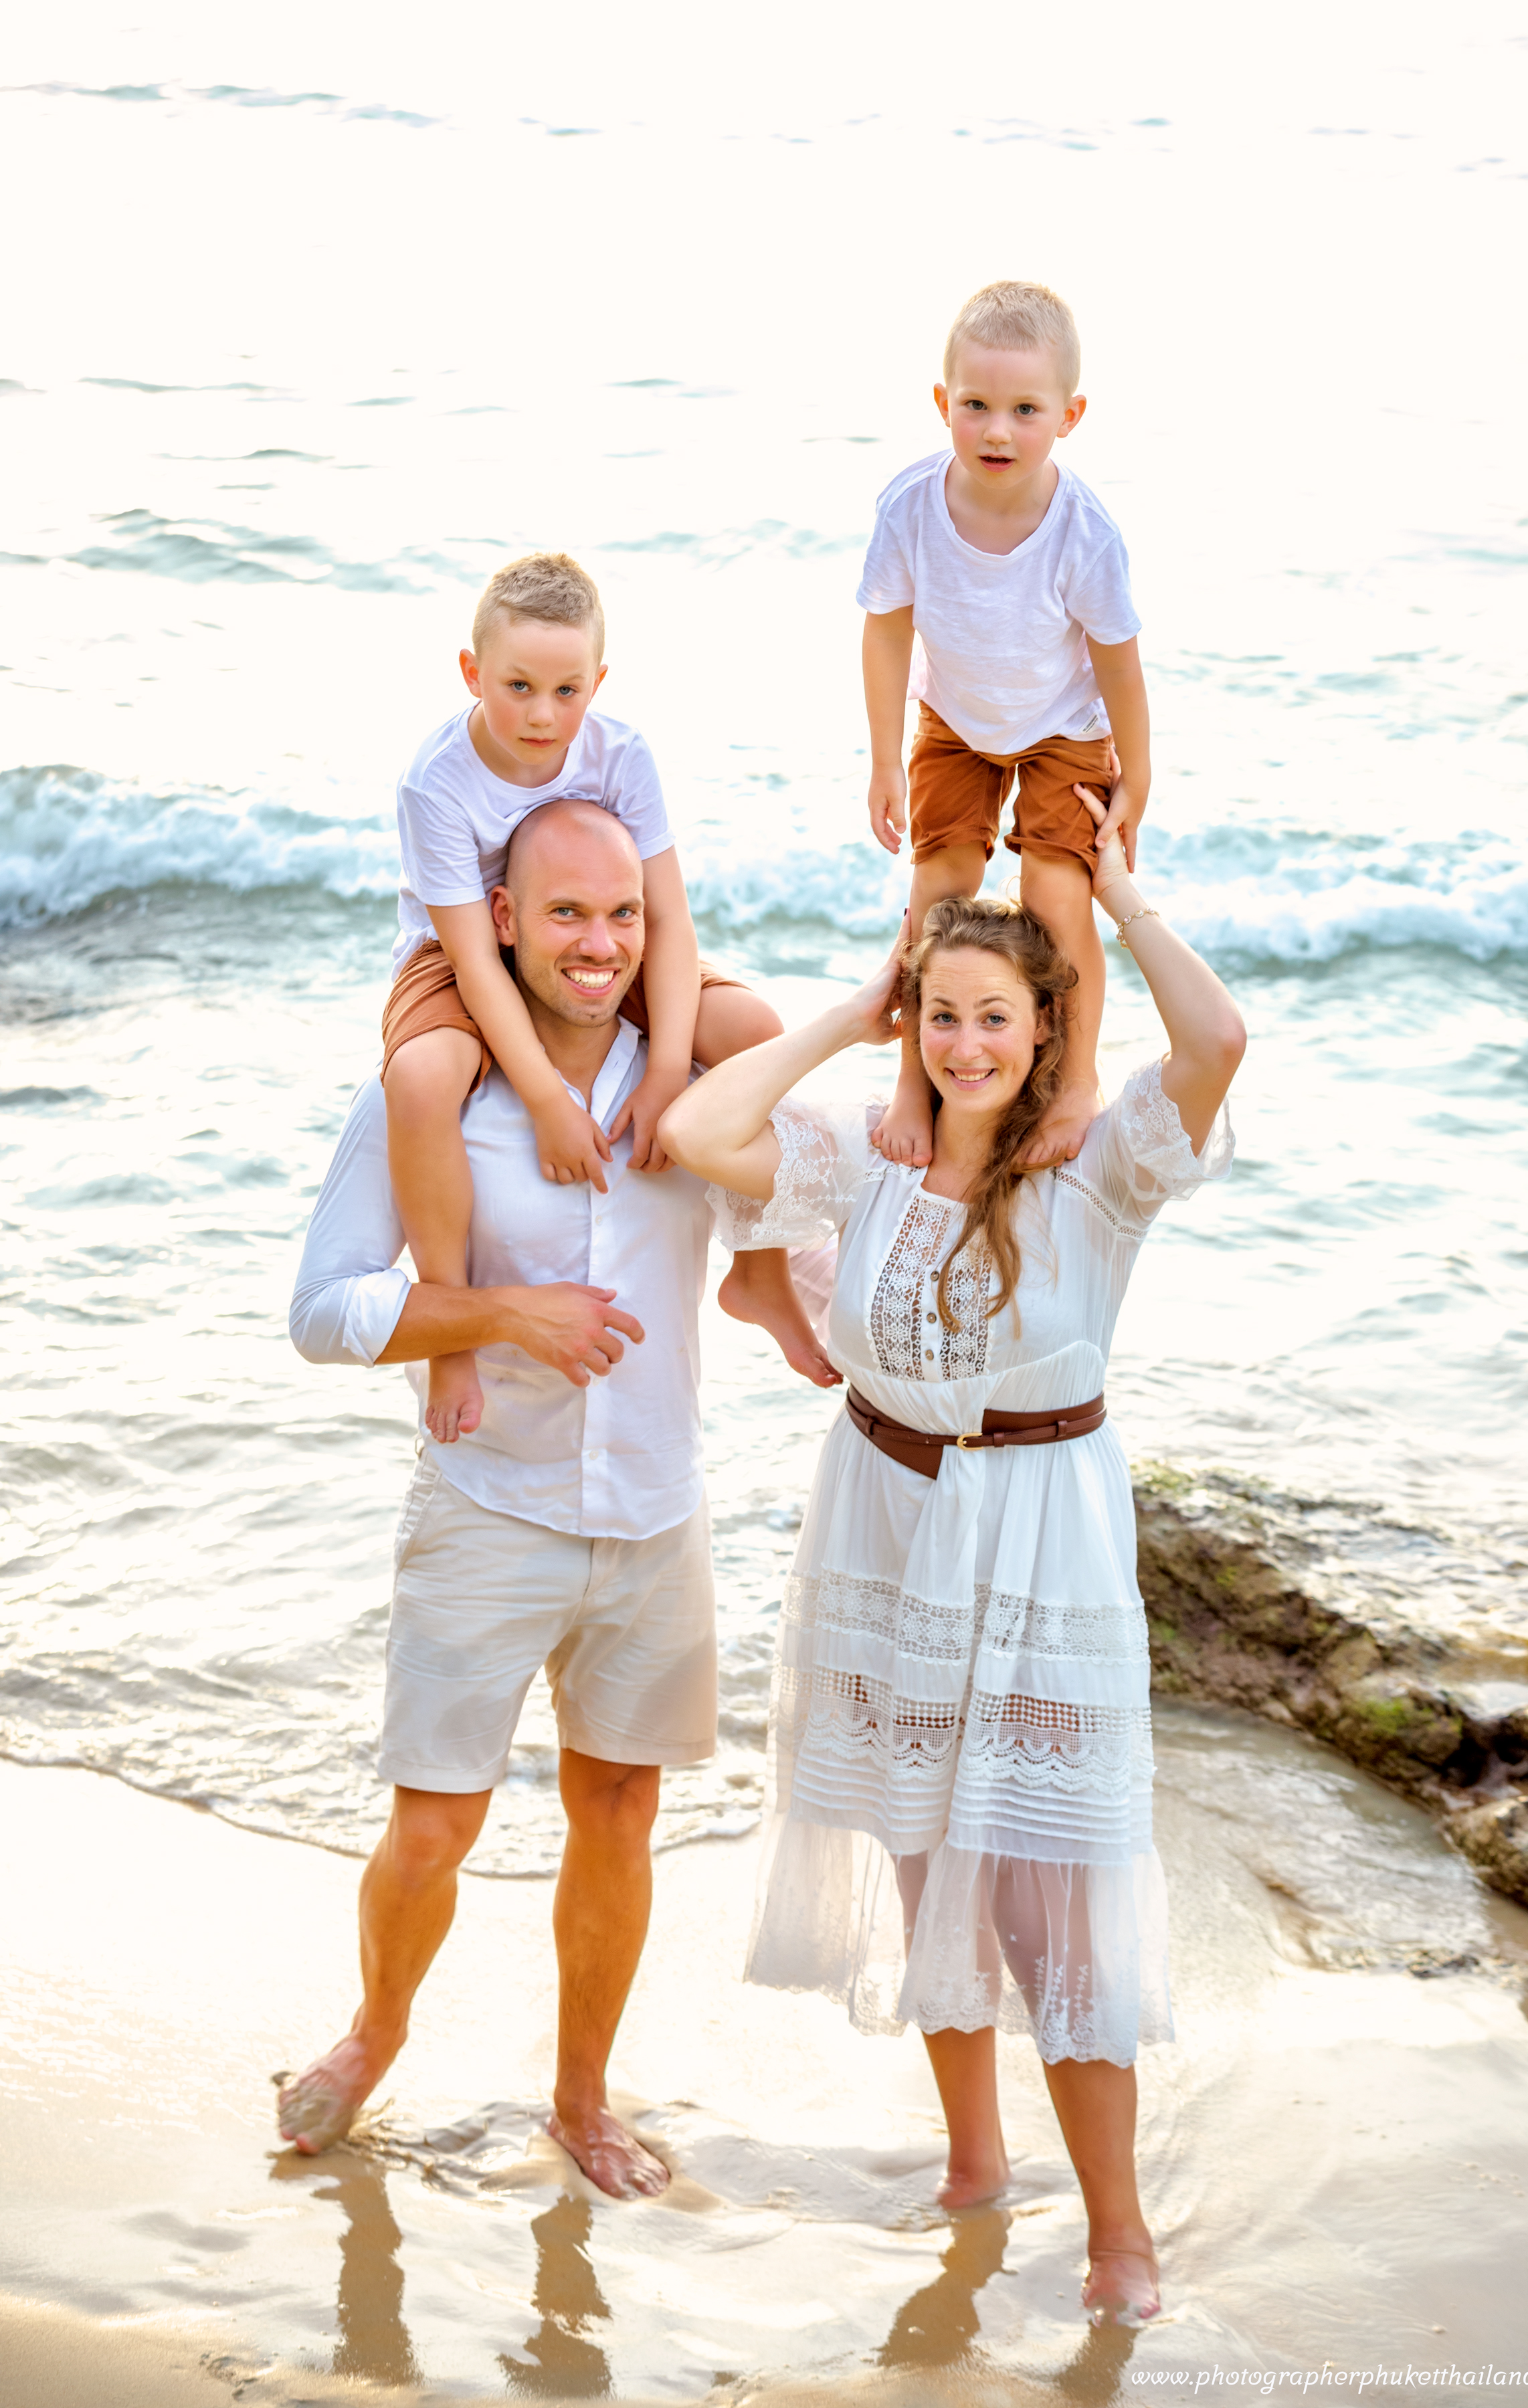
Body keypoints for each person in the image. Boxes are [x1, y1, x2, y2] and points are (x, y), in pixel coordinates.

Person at [660, 839, 1246, 2322]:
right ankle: (974, 2165)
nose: (967, 1043)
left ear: (1047, 1025)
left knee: (1052, 1898)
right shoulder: (868, 1160)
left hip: (1041, 1531)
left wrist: (1119, 900)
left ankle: (1120, 2233)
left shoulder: (1101, 1168)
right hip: (886, 1517)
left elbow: (1221, 1040)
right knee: (930, 1866)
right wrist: (861, 1003)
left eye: (996, 1015)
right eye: (943, 1017)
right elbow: (694, 1124)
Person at [281, 799, 738, 2196]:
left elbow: (815, 1194)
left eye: (624, 916)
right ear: (503, 922)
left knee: (620, 1816)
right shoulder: (437, 1086)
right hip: (488, 1508)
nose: (598, 945)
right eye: (565, 915)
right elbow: (322, 1310)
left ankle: (583, 2102)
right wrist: (498, 1318)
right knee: (435, 1825)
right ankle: (373, 2036)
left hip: (658, 1519)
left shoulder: (694, 1081)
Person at [381, 550, 830, 1445]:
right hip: (462, 949)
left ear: (599, 681)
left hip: (589, 936)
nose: (543, 715)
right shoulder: (435, 784)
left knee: (752, 1029)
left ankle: (763, 1270)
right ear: (472, 673)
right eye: (517, 687)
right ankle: (451, 1330)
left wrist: (668, 1067)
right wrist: (546, 1099)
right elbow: (474, 963)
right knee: (425, 1079)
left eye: (567, 690)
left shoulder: (620, 751)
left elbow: (666, 918)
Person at [860, 278, 1151, 1172]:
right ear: (944, 403)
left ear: (1070, 414)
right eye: (977, 406)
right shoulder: (910, 508)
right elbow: (884, 632)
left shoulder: (1083, 533)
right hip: (953, 721)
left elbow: (1118, 660)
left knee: (1057, 898)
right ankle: (915, 1075)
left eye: (1026, 409)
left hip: (1064, 729)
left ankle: (1073, 1080)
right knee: (937, 891)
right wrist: (885, 764)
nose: (997, 430)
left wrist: (1136, 779)